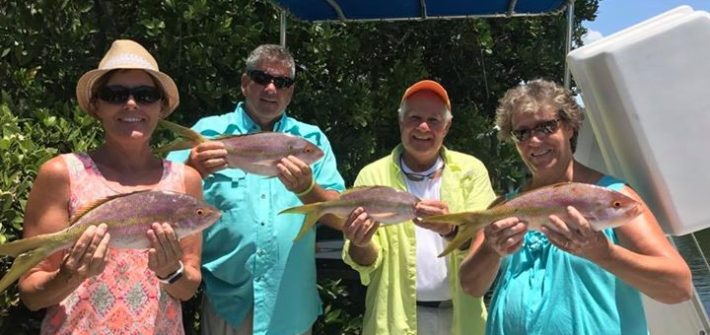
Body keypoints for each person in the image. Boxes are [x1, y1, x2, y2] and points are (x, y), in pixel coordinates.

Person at [459, 79, 693, 335]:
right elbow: (470, 285)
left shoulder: (612, 199)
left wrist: (604, 253)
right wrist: (491, 250)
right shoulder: (509, 206)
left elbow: (678, 287)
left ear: (569, 126)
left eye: (546, 127)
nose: (534, 141)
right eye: (522, 133)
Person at [17, 39, 204, 334]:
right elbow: (31, 294)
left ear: (161, 106)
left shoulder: (186, 181)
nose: (131, 104)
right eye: (115, 94)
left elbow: (187, 288)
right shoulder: (61, 173)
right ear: (96, 105)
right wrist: (70, 275)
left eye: (146, 95)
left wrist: (171, 272)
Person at [166, 44, 345, 335]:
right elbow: (163, 202)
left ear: (291, 91)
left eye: (283, 82)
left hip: (290, 309)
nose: (271, 88)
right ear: (245, 83)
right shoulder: (208, 134)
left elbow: (339, 217)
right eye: (261, 78)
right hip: (227, 304)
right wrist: (192, 168)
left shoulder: (311, 140)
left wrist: (307, 188)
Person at [341, 80, 496, 335]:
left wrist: (451, 230)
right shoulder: (372, 175)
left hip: (460, 320)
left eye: (434, 120)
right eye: (414, 117)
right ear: (401, 122)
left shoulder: (472, 171)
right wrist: (360, 241)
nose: (423, 127)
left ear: (447, 127)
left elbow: (485, 244)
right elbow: (365, 262)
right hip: (393, 322)